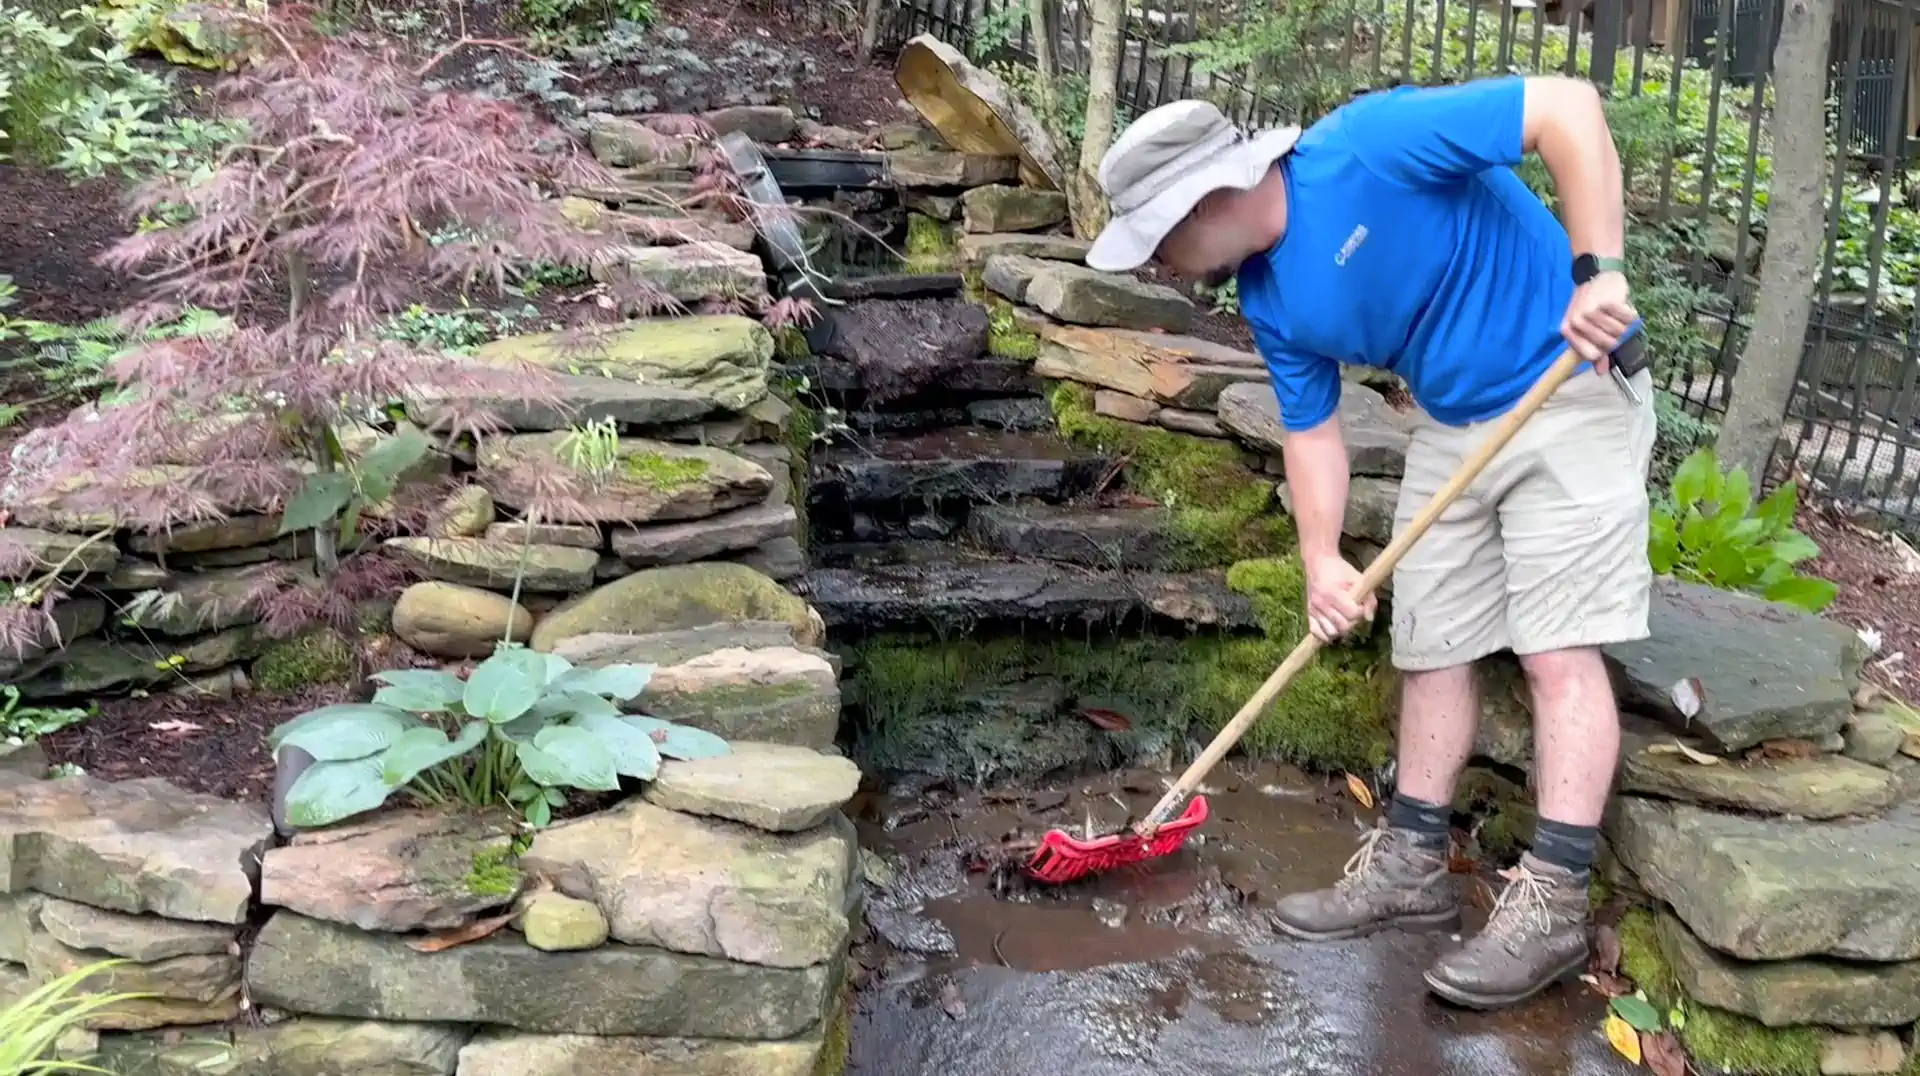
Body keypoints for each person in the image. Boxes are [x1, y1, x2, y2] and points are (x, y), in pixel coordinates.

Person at [1084, 74, 1653, 1011]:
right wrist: (1319, 559)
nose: (1163, 266)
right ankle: (1410, 869)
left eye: (1159, 240)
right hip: (1455, 421)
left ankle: (1552, 900)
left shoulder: (1370, 145)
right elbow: (1311, 433)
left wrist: (1601, 270)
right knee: (1430, 646)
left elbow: (1567, 108)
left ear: (1206, 198)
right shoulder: (1269, 299)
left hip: (1568, 384)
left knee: (1556, 651)